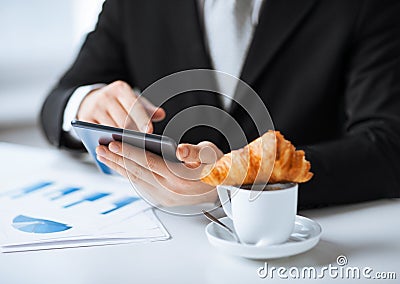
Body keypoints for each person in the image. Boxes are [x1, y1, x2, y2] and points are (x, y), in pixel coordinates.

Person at [41, 0, 400, 209]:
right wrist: (86, 102)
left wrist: (235, 178)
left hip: (312, 243)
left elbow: (389, 146)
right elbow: (58, 101)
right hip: (164, 248)